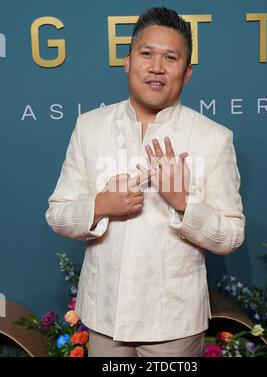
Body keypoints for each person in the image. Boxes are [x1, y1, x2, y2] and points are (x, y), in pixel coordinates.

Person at [45, 7, 245, 357]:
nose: (156, 67)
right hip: (104, 316)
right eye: (146, 53)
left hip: (174, 324)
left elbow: (232, 235)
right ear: (127, 61)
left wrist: (183, 203)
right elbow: (57, 214)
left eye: (171, 57)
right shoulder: (89, 127)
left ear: (187, 72)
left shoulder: (214, 138)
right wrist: (99, 206)